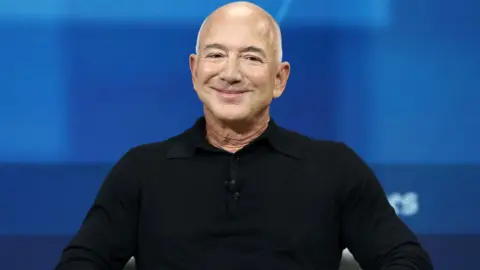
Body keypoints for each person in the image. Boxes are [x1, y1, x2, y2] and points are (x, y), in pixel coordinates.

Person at [55, 1, 433, 269]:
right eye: (216, 55)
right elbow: (82, 261)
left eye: (251, 58)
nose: (230, 73)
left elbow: (406, 260)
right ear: (195, 70)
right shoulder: (140, 169)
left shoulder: (334, 167)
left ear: (280, 79)